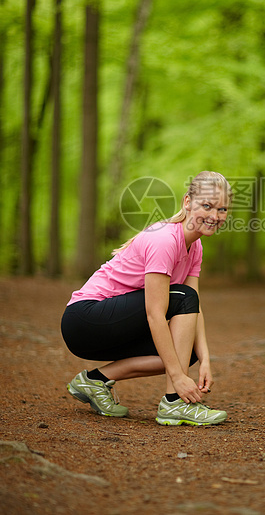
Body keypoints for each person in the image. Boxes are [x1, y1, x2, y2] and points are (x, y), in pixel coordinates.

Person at [61, 171, 232, 426]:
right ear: (187, 202)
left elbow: (194, 306)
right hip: (85, 319)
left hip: (114, 323)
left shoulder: (195, 247)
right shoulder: (165, 239)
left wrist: (205, 360)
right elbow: (156, 313)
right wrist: (178, 378)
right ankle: (174, 403)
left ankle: (94, 381)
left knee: (187, 350)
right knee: (181, 304)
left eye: (222, 209)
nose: (215, 216)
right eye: (207, 206)